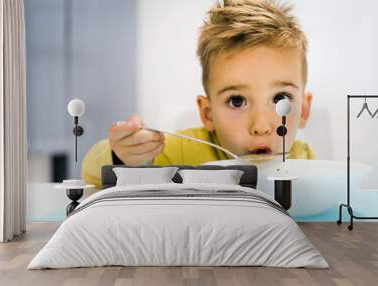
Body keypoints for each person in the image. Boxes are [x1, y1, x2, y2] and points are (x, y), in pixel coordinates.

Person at [81, 0, 314, 189]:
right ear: (208, 113)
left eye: (281, 99)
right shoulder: (177, 154)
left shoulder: (304, 158)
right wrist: (123, 156)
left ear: (303, 110)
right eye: (237, 101)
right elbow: (91, 174)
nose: (261, 126)